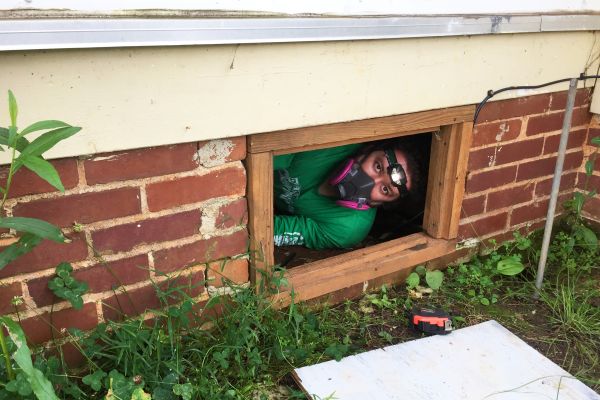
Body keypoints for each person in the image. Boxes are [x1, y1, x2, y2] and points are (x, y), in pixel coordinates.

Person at [273, 137, 425, 250]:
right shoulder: (330, 143)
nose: (371, 181)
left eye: (385, 189)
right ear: (368, 150)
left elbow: (273, 230)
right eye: (377, 166)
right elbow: (264, 157)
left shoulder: (349, 228)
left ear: (382, 203)